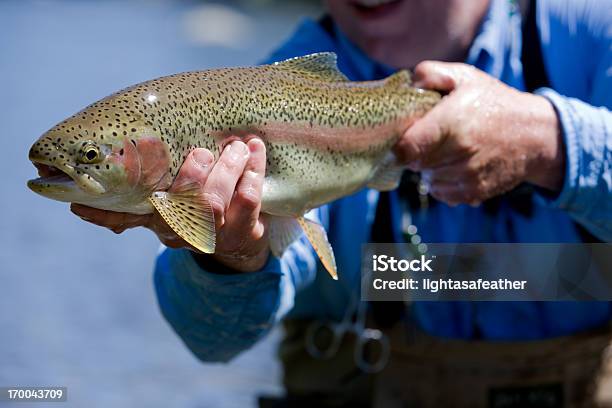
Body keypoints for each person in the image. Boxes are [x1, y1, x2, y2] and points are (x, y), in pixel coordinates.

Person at [73, 0, 612, 406]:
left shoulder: (588, 35)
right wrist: (228, 257)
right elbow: (212, 340)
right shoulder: (268, 88)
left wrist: (550, 143)